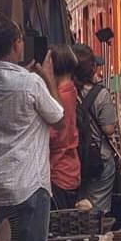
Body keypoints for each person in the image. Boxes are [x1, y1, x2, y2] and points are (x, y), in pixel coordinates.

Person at [0, 15, 64, 241]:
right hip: (30, 185)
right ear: (17, 44)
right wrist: (48, 77)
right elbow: (59, 119)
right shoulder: (30, 82)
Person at [74, 43, 120, 216]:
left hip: (75, 157)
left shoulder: (68, 92)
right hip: (98, 158)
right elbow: (108, 129)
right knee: (97, 211)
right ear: (91, 69)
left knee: (78, 206)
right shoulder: (101, 94)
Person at [47, 44, 81, 209]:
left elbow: (55, 135)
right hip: (69, 167)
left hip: (58, 169)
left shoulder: (61, 95)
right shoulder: (71, 90)